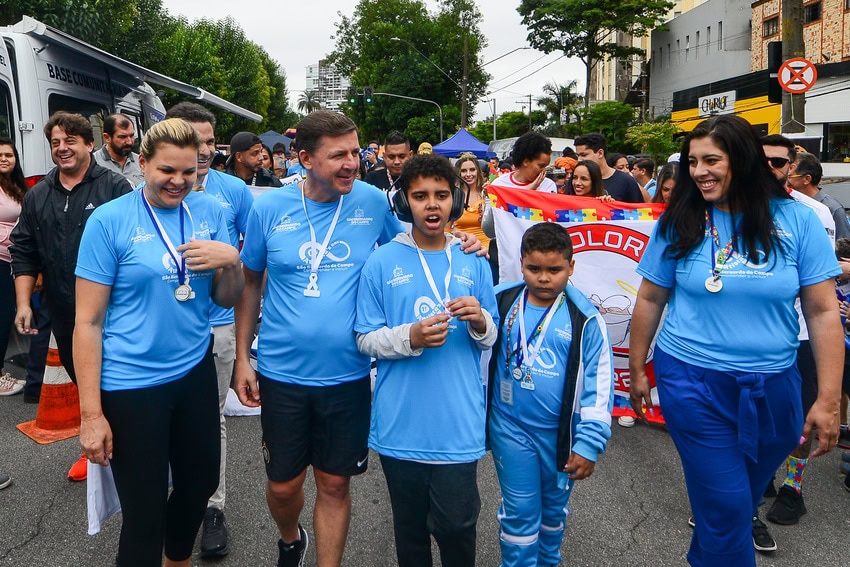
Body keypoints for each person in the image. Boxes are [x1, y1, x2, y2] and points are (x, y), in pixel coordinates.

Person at [234, 111, 482, 567]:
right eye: (339, 155)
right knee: (283, 486)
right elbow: (251, 283)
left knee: (334, 483)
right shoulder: (268, 208)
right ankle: (291, 538)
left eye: (355, 151)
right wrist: (241, 358)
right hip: (282, 372)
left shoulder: (370, 201)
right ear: (305, 159)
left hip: (347, 374)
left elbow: (413, 248)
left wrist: (464, 244)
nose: (352, 162)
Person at [628, 115, 843, 567]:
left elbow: (823, 312)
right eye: (693, 162)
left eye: (711, 160)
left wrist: (827, 400)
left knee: (733, 505)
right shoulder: (680, 220)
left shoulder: (799, 220)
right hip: (692, 382)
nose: (699, 171)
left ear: (742, 160)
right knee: (727, 505)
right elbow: (650, 297)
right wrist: (637, 367)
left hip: (775, 388)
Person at [74, 118, 245, 567]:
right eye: (167, 170)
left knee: (200, 482)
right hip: (132, 384)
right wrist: (91, 415)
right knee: (145, 512)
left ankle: (177, 560)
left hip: (193, 370)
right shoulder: (110, 221)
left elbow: (225, 298)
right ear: (143, 162)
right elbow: (87, 322)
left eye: (189, 171)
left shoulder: (208, 212)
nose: (178, 181)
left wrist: (232, 262)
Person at [355, 153, 497, 567]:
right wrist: (410, 337)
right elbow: (364, 338)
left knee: (457, 528)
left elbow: (492, 336)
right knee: (411, 534)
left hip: (458, 424)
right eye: (420, 196)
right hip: (401, 425)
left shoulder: (474, 257)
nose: (432, 205)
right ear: (404, 202)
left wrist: (480, 320)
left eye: (441, 195)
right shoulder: (381, 262)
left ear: (455, 199)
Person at [10, 111, 133, 482]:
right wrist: (23, 304)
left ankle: (130, 452)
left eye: (70, 141)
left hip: (116, 315)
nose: (62, 148)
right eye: (55, 143)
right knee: (85, 383)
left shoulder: (115, 187)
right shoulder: (38, 195)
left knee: (120, 386)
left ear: (90, 145)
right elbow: (23, 249)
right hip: (65, 315)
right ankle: (99, 448)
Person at [488, 222, 614, 567]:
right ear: (521, 263)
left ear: (571, 267)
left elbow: (600, 384)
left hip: (560, 437)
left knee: (553, 512)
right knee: (520, 512)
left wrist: (589, 442)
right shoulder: (501, 300)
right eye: (534, 268)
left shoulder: (586, 319)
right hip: (510, 428)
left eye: (554, 270)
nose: (544, 278)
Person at [165, 101, 256, 558]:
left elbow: (248, 267)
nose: (202, 150)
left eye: (207, 141)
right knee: (161, 420)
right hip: (167, 329)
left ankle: (211, 507)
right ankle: (167, 503)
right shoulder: (151, 190)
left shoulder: (233, 192)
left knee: (210, 419)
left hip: (217, 327)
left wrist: (243, 346)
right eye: (192, 140)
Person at [0, 138, 26, 395]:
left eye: (8, 155)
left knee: (6, 314)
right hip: (0, 258)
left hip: (12, 259)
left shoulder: (15, 185)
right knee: (3, 314)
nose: (4, 159)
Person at [788, 152, 850, 240]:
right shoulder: (788, 203)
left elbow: (843, 243)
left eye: (789, 176)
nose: (786, 181)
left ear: (807, 179)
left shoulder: (832, 209)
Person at [574, 133, 646, 202]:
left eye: (584, 155)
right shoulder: (575, 181)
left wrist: (611, 205)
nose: (579, 160)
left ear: (600, 153)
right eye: (578, 156)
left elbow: (638, 209)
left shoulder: (626, 181)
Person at [92, 113, 144, 187]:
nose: (129, 142)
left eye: (132, 136)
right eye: (122, 137)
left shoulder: (141, 162)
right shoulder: (93, 163)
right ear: (107, 137)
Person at [453, 153, 490, 248]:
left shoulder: (487, 194)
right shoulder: (454, 195)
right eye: (464, 171)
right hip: (462, 247)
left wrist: (488, 214)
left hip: (486, 248)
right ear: (459, 173)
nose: (468, 174)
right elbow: (446, 228)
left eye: (472, 170)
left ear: (478, 171)